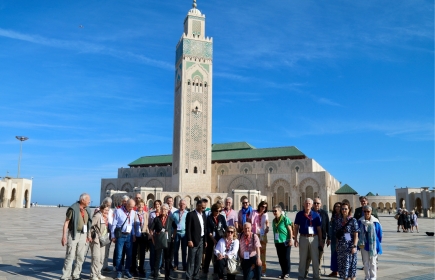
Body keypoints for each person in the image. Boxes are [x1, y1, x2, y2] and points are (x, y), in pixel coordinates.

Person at [60, 193, 92, 280]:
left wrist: (88, 235)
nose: (89, 201)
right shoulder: (73, 209)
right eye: (88, 200)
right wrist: (64, 236)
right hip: (73, 234)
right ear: (82, 200)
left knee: (80, 256)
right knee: (70, 256)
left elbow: (88, 224)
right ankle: (65, 276)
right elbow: (66, 223)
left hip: (83, 235)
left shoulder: (87, 210)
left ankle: (76, 275)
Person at [294, 198, 323, 280]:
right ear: (303, 204)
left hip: (314, 238)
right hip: (303, 237)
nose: (308, 205)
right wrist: (295, 239)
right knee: (302, 258)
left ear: (312, 205)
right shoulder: (299, 214)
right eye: (306, 203)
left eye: (309, 203)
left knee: (315, 258)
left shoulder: (316, 215)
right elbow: (296, 227)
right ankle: (301, 276)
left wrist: (320, 241)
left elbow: (319, 229)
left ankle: (316, 276)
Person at [111, 199, 137, 280]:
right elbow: (114, 224)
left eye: (133, 207)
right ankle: (119, 272)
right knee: (119, 255)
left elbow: (132, 224)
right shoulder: (118, 211)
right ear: (127, 204)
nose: (132, 208)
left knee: (129, 255)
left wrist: (133, 235)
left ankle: (127, 270)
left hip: (129, 235)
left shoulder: (133, 212)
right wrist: (113, 235)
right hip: (120, 235)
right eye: (130, 207)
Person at [150, 204, 177, 280]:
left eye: (165, 209)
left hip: (168, 241)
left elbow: (175, 228)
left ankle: (167, 276)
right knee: (157, 258)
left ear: (168, 210)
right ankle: (155, 275)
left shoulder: (170, 219)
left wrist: (173, 236)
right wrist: (153, 239)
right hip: (159, 241)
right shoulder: (157, 219)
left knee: (167, 259)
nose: (163, 210)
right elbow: (151, 229)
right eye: (162, 209)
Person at [335, 201, 359, 280]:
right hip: (342, 248)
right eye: (342, 209)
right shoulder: (339, 221)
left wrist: (354, 246)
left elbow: (356, 234)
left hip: (350, 247)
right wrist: (337, 244)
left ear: (349, 210)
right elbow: (337, 235)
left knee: (351, 269)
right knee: (344, 269)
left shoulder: (353, 220)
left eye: (345, 209)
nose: (344, 210)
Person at [357, 205, 382, 280]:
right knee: (365, 262)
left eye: (368, 211)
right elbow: (357, 232)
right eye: (365, 211)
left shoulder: (375, 222)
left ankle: (373, 277)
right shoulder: (360, 221)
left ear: (371, 212)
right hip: (363, 245)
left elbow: (379, 234)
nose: (366, 213)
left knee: (373, 262)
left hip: (373, 245)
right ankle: (367, 276)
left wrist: (376, 243)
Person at [306, 198, 329, 277]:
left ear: (321, 204)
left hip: (321, 237)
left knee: (319, 255)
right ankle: (305, 272)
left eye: (318, 203)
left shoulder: (324, 213)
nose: (316, 205)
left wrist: (328, 237)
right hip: (311, 237)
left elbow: (327, 225)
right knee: (308, 255)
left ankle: (317, 273)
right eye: (315, 203)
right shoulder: (309, 212)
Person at [185, 200, 207, 280]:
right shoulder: (191, 214)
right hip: (193, 240)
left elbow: (205, 228)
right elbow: (188, 229)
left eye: (205, 207)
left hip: (201, 239)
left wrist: (205, 240)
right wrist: (189, 240)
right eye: (202, 207)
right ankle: (189, 276)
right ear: (197, 205)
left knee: (198, 259)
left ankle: (196, 275)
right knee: (191, 259)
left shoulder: (203, 215)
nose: (204, 208)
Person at [204, 203, 227, 275]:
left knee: (218, 254)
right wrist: (213, 239)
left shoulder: (221, 217)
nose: (218, 213)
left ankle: (216, 270)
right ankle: (205, 269)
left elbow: (225, 227)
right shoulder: (209, 218)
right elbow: (208, 230)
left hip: (220, 238)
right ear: (213, 210)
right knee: (209, 254)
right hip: (211, 238)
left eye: (220, 211)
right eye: (217, 211)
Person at [272, 205, 292, 279]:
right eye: (273, 211)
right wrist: (275, 241)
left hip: (286, 241)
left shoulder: (285, 219)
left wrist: (291, 239)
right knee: (281, 258)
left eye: (275, 211)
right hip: (278, 242)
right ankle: (283, 272)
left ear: (280, 211)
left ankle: (287, 273)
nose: (274, 212)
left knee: (286, 258)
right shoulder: (274, 221)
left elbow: (290, 230)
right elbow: (274, 231)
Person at [90, 204, 110, 280]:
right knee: (96, 257)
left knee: (102, 257)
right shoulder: (98, 216)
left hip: (104, 238)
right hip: (96, 239)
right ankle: (93, 275)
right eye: (105, 210)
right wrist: (91, 235)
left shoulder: (106, 217)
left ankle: (98, 273)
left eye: (108, 210)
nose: (106, 211)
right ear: (101, 209)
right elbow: (90, 226)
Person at [132, 199, 150, 278]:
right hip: (136, 235)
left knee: (142, 253)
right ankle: (134, 268)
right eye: (139, 205)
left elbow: (147, 225)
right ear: (137, 206)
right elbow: (132, 225)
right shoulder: (134, 214)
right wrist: (133, 235)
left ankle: (141, 268)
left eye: (142, 205)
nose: (141, 207)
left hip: (143, 235)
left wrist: (148, 233)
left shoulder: (146, 214)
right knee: (134, 253)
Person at [254, 201, 269, 277]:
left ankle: (262, 270)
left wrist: (268, 227)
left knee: (263, 253)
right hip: (255, 234)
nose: (263, 208)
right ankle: (254, 270)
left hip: (262, 235)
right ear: (259, 206)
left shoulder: (265, 214)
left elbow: (267, 222)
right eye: (262, 206)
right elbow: (250, 221)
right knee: (254, 252)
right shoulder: (254, 213)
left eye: (265, 207)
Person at [173, 199, 188, 271]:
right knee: (175, 250)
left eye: (184, 204)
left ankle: (184, 265)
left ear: (186, 205)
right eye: (181, 204)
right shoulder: (175, 213)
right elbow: (172, 224)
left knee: (184, 251)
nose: (182, 205)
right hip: (177, 233)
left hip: (184, 234)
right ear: (179, 204)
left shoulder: (187, 214)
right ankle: (176, 264)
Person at [327, 202, 341, 277]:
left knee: (340, 254)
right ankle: (334, 270)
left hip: (341, 239)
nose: (337, 208)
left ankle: (341, 270)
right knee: (333, 254)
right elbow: (331, 227)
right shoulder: (334, 216)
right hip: (334, 238)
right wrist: (329, 237)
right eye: (336, 207)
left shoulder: (343, 217)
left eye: (338, 206)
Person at [149, 200, 162, 277]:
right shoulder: (151, 214)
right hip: (153, 235)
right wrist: (150, 234)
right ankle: (152, 269)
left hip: (160, 236)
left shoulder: (162, 213)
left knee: (159, 254)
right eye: (155, 204)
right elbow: (149, 224)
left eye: (158, 204)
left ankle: (158, 269)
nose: (157, 205)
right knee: (152, 253)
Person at [101, 197, 114, 272]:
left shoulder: (111, 211)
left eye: (110, 205)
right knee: (101, 250)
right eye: (107, 205)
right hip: (102, 233)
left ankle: (105, 265)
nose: (108, 207)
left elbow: (112, 222)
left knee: (107, 250)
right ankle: (99, 266)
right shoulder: (98, 210)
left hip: (108, 233)